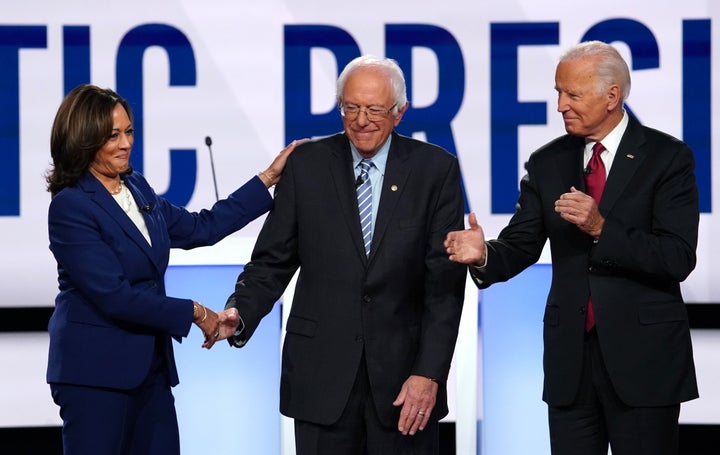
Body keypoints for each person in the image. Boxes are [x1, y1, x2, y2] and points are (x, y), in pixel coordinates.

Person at [444, 40, 699, 455]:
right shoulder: (548, 162)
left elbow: (676, 257)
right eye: (558, 92)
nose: (561, 105)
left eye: (573, 94)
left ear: (612, 96)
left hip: (644, 361)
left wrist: (601, 227)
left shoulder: (667, 158)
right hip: (570, 363)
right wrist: (484, 254)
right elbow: (520, 245)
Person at [218, 55, 466, 454]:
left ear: (400, 113)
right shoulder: (306, 166)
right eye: (350, 107)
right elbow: (271, 261)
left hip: (404, 384)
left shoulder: (435, 171)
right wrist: (240, 312)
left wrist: (429, 373)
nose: (361, 119)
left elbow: (445, 287)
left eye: (374, 109)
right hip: (321, 379)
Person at [45, 84, 299, 454]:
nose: (125, 143)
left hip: (151, 371)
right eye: (112, 135)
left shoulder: (138, 189)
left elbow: (202, 227)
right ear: (84, 140)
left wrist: (267, 179)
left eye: (129, 131)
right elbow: (115, 297)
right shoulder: (71, 208)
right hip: (95, 376)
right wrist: (195, 312)